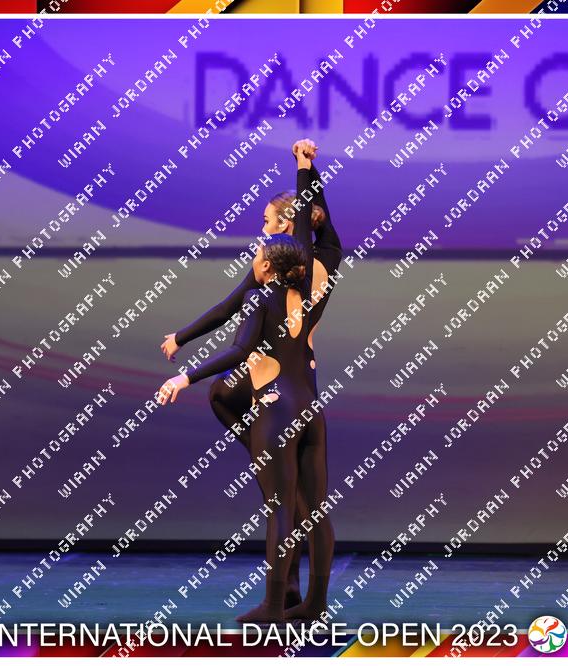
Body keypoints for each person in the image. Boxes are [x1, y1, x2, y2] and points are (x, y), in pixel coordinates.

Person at [159, 139, 341, 609]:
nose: (260, 233)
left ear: (285, 228)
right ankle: (308, 599)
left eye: (266, 223)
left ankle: (277, 604)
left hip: (276, 395)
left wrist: (302, 168)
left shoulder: (273, 279)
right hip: (304, 388)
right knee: (306, 504)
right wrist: (310, 169)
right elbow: (321, 225)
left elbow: (236, 336)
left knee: (281, 499)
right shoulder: (320, 263)